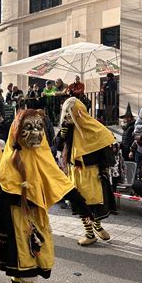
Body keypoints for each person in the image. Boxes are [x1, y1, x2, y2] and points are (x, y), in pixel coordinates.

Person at [0, 109, 93, 283]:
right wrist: (4, 228)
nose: (36, 133)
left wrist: (82, 205)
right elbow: (4, 196)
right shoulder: (11, 160)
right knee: (28, 267)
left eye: (40, 127)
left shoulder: (43, 155)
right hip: (18, 220)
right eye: (29, 128)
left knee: (29, 263)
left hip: (37, 217)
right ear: (17, 131)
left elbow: (59, 180)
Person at [56, 97, 116, 246]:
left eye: (71, 112)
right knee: (80, 203)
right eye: (66, 113)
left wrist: (103, 169)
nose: (68, 116)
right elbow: (57, 146)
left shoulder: (95, 127)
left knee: (94, 204)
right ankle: (90, 232)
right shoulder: (68, 128)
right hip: (74, 171)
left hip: (92, 172)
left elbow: (106, 147)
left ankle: (96, 226)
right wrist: (62, 135)